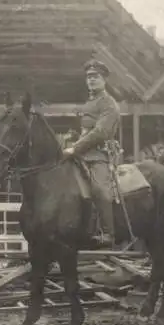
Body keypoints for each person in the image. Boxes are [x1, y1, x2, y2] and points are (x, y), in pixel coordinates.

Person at [63, 59, 121, 246]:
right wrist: (72, 137)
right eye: (89, 77)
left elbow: (100, 132)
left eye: (96, 77)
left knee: (100, 190)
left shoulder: (109, 103)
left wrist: (75, 148)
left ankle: (107, 233)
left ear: (104, 79)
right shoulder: (90, 102)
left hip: (99, 156)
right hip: (83, 155)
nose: (91, 80)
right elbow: (86, 130)